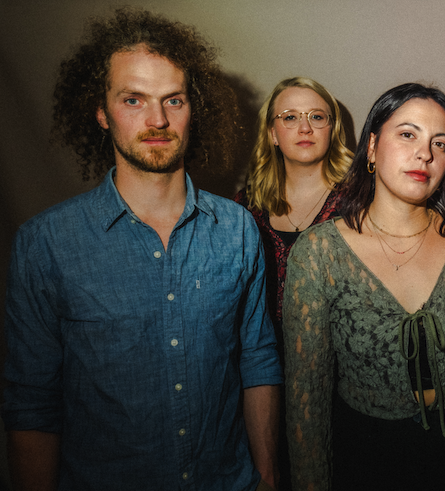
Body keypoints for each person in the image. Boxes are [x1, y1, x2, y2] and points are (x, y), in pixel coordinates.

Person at [2, 8, 281, 490]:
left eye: (173, 100)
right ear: (101, 112)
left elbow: (257, 360)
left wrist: (269, 477)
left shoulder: (236, 228)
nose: (157, 120)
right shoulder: (45, 244)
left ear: (193, 109)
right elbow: (32, 404)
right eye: (134, 99)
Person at [282, 83, 445, 491]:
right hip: (364, 462)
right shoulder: (319, 253)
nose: (425, 154)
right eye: (407, 134)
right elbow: (306, 399)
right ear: (372, 146)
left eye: (440, 143)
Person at [234, 76, 352, 491]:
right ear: (272, 132)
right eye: (290, 117)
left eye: (317, 117)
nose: (305, 127)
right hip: (264, 384)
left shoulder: (362, 201)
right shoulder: (243, 207)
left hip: (343, 387)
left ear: (332, 129)